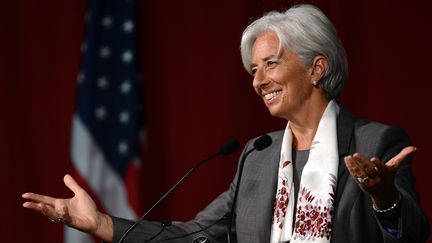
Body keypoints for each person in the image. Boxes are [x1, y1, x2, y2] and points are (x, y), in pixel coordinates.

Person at [22, 4, 429, 243]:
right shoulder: (258, 156)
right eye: (253, 69)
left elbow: (412, 234)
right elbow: (196, 234)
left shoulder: (376, 142)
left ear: (316, 68)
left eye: (271, 64)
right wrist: (101, 224)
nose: (258, 81)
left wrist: (384, 199)